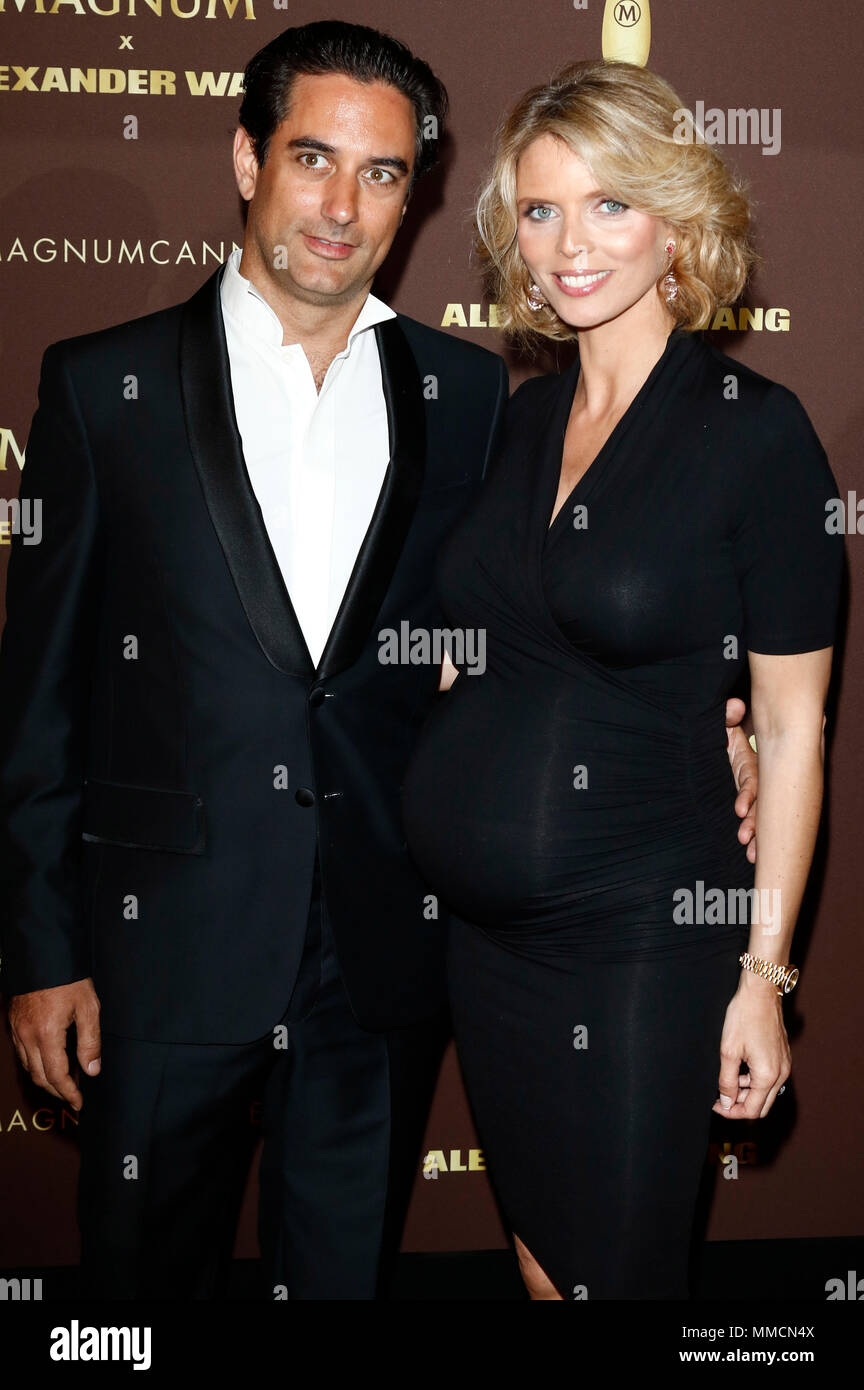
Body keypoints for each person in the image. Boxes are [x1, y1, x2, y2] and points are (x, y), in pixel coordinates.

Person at [0, 21, 513, 1301]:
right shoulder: (99, 385)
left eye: (383, 172)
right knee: (131, 1300)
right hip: (159, 953)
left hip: (381, 946)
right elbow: (39, 696)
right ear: (246, 158)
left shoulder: (464, 394)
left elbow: (509, 638)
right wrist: (42, 947)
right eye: (313, 158)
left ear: (417, 191)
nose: (343, 206)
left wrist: (703, 731)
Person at [401, 59, 844, 1301]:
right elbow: (485, 644)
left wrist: (766, 979)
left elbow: (800, 728)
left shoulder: (755, 432)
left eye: (609, 205)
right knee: (545, 1266)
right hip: (488, 946)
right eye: (539, 211)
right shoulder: (521, 420)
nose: (568, 245)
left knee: (616, 1275)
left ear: (677, 223)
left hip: (643, 934)